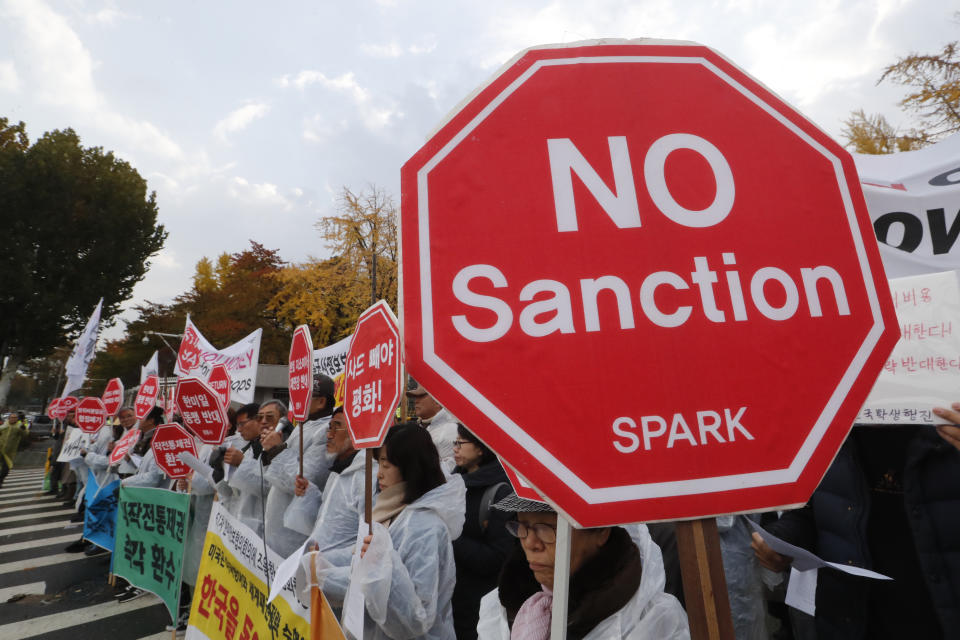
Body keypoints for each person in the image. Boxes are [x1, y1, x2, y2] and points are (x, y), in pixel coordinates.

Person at [751, 409, 960, 640]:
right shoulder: (830, 420)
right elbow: (820, 505)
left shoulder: (948, 417)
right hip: (853, 619)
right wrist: (783, 538)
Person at [305, 422, 465, 639]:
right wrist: (323, 563)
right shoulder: (388, 510)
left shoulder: (424, 527)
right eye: (379, 464)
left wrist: (381, 560)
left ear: (410, 467)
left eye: (386, 465)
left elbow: (416, 619)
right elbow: (361, 563)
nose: (379, 475)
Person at [476, 494, 689, 639]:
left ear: (600, 532)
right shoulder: (499, 608)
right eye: (521, 526)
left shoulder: (654, 616)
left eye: (546, 528)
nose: (531, 543)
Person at [450, 425, 514, 640]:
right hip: (451, 597)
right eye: (454, 443)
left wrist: (451, 536)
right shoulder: (452, 483)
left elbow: (497, 557)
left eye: (461, 443)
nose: (455, 449)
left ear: (481, 448)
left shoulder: (501, 491)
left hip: (479, 602)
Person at [262, 375, 336, 557]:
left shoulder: (326, 430)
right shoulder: (304, 426)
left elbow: (304, 479)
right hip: (278, 524)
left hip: (295, 532)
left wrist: (276, 451)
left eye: (305, 396)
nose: (298, 402)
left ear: (321, 401)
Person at [222, 402, 269, 536]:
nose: (239, 430)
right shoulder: (249, 448)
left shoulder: (272, 448)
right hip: (241, 521)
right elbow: (231, 491)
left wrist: (242, 462)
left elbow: (266, 486)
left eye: (242, 424)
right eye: (238, 425)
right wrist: (220, 472)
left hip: (261, 526)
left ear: (258, 420)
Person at [407, 382, 459, 469]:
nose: (416, 401)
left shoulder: (450, 429)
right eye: (415, 397)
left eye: (421, 396)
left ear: (437, 401)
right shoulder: (418, 428)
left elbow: (450, 473)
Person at [0, 411, 28, 487]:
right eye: (12, 418)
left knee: (6, 468)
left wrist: (23, 428)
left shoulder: (19, 427)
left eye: (15, 418)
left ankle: (1, 479)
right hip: (0, 449)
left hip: (10, 451)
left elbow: (25, 435)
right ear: (9, 418)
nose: (13, 419)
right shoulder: (4, 425)